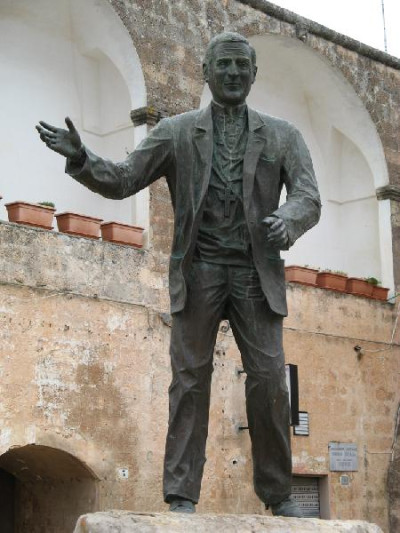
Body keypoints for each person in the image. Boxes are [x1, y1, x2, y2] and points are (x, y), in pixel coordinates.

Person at [36, 32, 321, 517]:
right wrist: (82, 159)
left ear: (254, 74)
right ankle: (182, 494)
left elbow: (309, 198)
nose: (232, 74)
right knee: (189, 381)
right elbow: (126, 177)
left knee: (271, 382)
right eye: (223, 65)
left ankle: (277, 494)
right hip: (200, 271)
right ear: (206, 73)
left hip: (256, 275)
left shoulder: (282, 135)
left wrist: (287, 220)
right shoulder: (177, 131)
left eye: (241, 66)